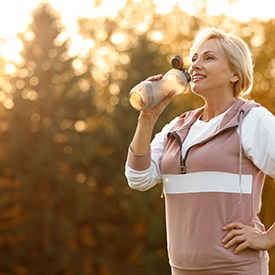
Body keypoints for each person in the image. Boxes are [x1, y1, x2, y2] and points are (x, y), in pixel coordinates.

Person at [125, 27, 275, 274]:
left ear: (235, 74)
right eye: (194, 58)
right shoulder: (178, 127)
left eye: (209, 58)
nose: (195, 65)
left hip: (235, 270)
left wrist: (268, 238)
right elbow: (138, 178)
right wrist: (147, 118)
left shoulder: (251, 119)